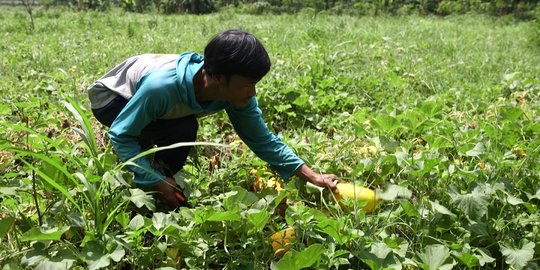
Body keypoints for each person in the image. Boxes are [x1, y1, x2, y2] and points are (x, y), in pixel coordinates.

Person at [88, 29, 337, 210]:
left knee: (180, 129)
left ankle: (163, 180)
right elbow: (121, 133)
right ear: (218, 78)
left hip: (154, 103)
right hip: (113, 99)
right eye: (247, 84)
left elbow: (262, 139)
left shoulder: (232, 92)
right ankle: (151, 182)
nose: (253, 93)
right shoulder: (161, 88)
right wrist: (153, 179)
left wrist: (312, 175)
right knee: (181, 129)